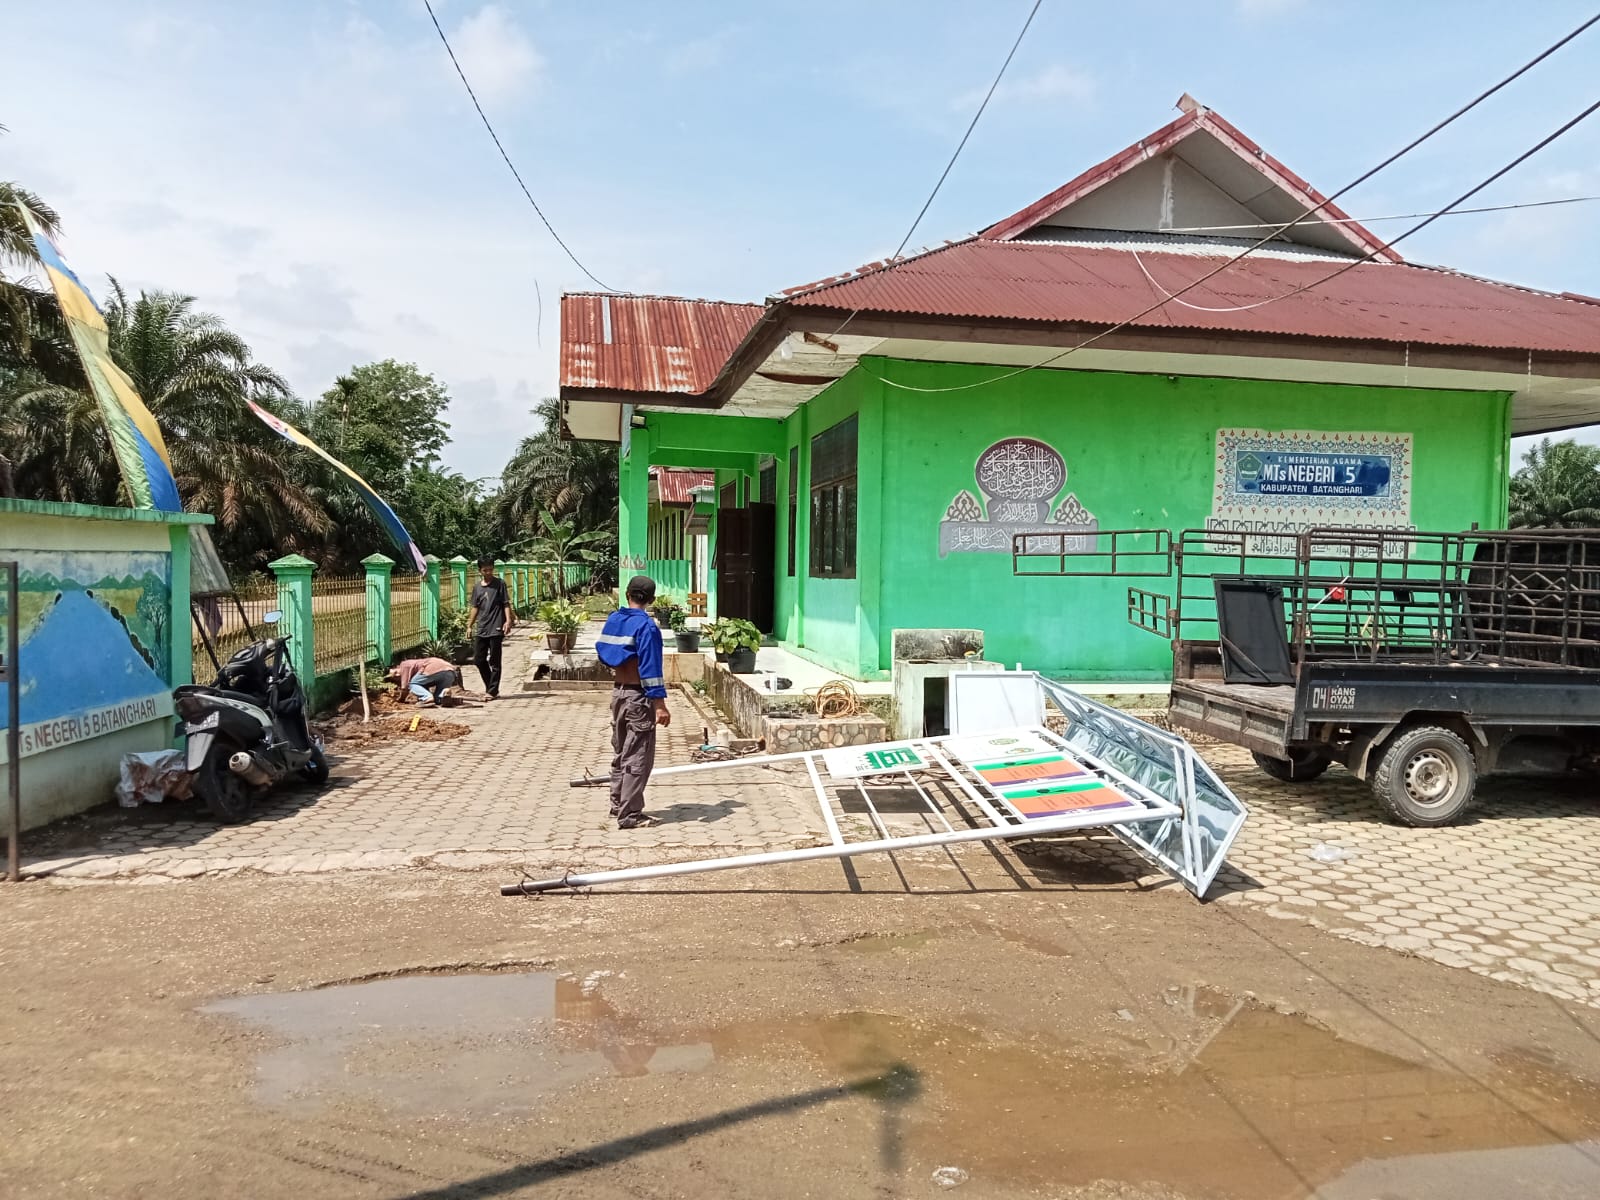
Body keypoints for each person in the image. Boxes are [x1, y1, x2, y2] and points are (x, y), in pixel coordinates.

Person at [594, 574, 671, 829]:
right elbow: (650, 668)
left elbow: (604, 652)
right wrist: (659, 705)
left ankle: (617, 804)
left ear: (627, 594)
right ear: (652, 599)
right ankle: (630, 815)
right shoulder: (647, 627)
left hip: (618, 694)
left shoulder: (614, 620)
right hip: (638, 697)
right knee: (637, 756)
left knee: (620, 753)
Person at [469, 556, 513, 699]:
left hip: (496, 627)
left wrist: (508, 621)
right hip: (482, 627)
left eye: (490, 569)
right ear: (480, 571)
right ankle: (491, 687)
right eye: (485, 570)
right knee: (478, 660)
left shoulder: (500, 584)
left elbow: (506, 603)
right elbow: (475, 607)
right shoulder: (477, 587)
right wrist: (469, 626)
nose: (488, 572)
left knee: (494, 661)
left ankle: (492, 691)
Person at [388, 656, 462, 706]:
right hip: (450, 671)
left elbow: (405, 687)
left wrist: (401, 700)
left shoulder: (404, 665)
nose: (397, 675)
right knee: (437, 699)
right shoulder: (417, 670)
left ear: (396, 667)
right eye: (395, 677)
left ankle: (427, 697)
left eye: (395, 672)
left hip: (433, 667)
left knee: (412, 684)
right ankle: (445, 693)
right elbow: (422, 685)